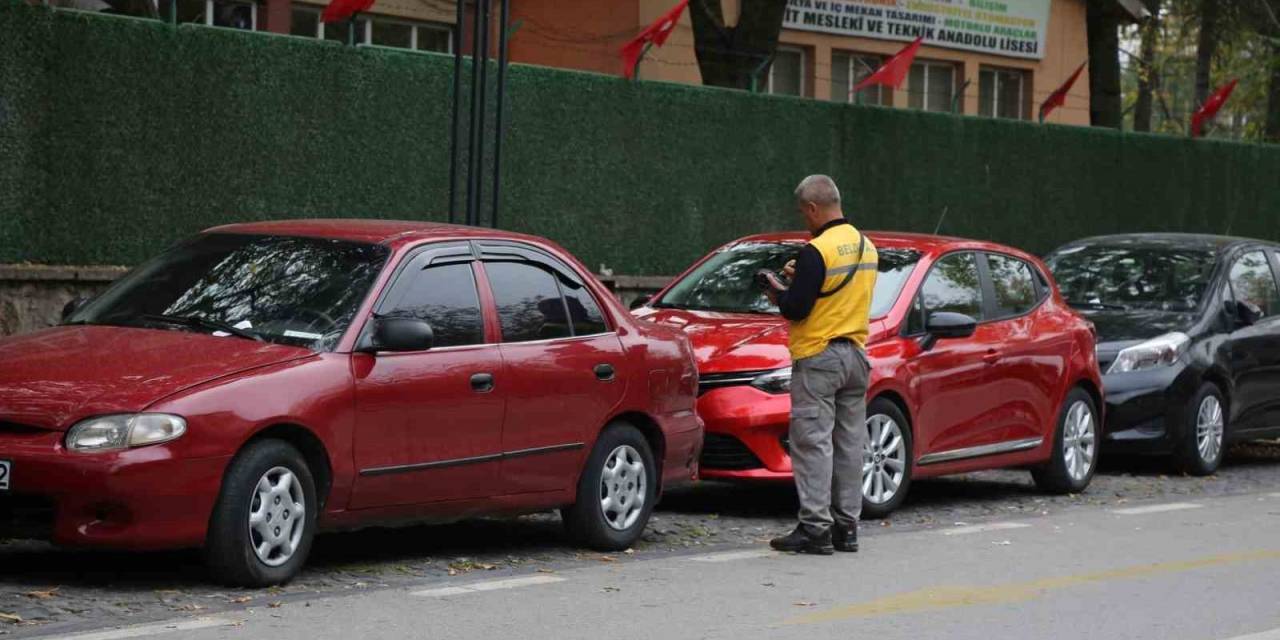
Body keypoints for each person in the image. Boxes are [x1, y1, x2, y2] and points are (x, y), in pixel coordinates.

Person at [766, 175, 878, 555]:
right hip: (856, 355)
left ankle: (815, 529)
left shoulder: (817, 250)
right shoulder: (867, 247)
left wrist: (777, 293)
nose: (805, 220)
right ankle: (847, 528)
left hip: (819, 355)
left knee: (812, 442)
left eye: (804, 213)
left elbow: (797, 308)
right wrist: (805, 282)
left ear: (813, 208)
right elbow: (838, 292)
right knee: (849, 443)